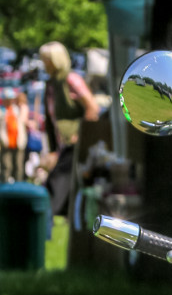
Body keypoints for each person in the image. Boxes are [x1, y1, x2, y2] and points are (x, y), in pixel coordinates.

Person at [39, 41, 99, 216]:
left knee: (56, 185)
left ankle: (44, 218)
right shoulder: (51, 84)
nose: (44, 63)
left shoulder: (70, 79)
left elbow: (92, 108)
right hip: (62, 145)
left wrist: (79, 134)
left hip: (74, 143)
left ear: (56, 60)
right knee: (62, 186)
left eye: (46, 59)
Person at [0, 89, 28, 182]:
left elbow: (23, 120)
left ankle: (19, 186)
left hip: (18, 142)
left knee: (18, 166)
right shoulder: (2, 111)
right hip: (6, 143)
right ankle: (5, 186)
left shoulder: (17, 109)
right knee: (6, 165)